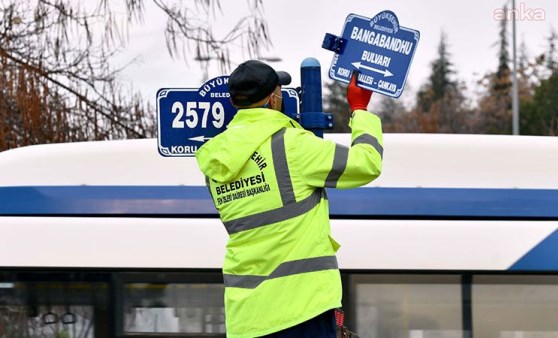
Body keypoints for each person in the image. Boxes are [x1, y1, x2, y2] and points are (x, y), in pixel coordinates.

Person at [195, 60, 383, 338]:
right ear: (273, 99)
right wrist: (360, 110)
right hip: (302, 309)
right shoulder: (292, 145)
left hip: (246, 318)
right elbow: (366, 163)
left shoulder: (213, 161)